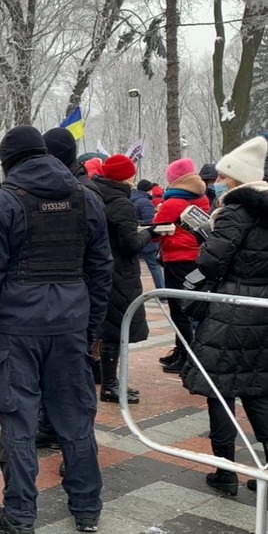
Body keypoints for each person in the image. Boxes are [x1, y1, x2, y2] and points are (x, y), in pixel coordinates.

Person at [0, 126, 112, 533]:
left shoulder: (3, 201)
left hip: (16, 327)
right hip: (71, 324)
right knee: (76, 420)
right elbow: (101, 269)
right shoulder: (86, 196)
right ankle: (88, 509)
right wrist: (91, 327)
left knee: (18, 423)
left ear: (8, 161)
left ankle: (20, 514)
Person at [180, 136, 268, 496]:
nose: (217, 181)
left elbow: (211, 261)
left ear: (234, 179)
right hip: (262, 308)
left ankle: (225, 471)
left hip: (231, 307)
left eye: (221, 175)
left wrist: (206, 234)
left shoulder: (234, 211)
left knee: (220, 390)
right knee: (259, 388)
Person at [92, 155, 154, 404]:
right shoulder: (121, 203)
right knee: (116, 331)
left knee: (108, 328)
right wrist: (150, 233)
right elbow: (130, 245)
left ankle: (112, 381)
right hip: (120, 274)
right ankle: (110, 384)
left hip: (102, 269)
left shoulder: (96, 195)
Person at [153, 158, 210, 373]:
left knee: (179, 310)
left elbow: (155, 232)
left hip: (177, 260)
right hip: (197, 258)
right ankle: (184, 351)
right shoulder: (201, 198)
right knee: (192, 306)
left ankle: (185, 356)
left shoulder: (173, 203)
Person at [132, 179, 164, 290]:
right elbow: (150, 222)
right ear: (149, 190)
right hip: (147, 239)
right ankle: (162, 290)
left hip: (134, 238)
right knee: (154, 266)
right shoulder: (145, 202)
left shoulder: (131, 199)